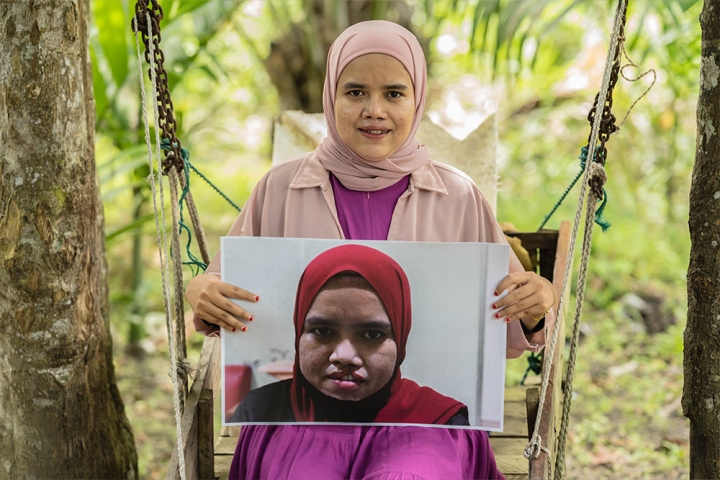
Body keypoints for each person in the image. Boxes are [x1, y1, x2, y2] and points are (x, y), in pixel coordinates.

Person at [186, 19, 556, 480]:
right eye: (356, 92)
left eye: (394, 94)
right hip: (300, 421)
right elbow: (226, 296)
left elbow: (504, 324)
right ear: (330, 97)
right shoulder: (279, 189)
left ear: (417, 99)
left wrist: (534, 305)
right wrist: (202, 290)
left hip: (421, 427)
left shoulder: (459, 197)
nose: (374, 110)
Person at [232, 244, 469, 425]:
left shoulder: (441, 420)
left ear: (400, 338)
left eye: (372, 335)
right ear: (299, 333)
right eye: (323, 331)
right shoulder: (259, 411)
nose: (344, 356)